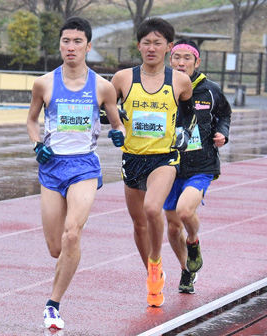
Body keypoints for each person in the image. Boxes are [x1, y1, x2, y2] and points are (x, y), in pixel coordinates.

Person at [26, 16, 126, 330]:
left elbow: (116, 121)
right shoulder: (44, 83)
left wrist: (118, 133)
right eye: (66, 41)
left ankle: (52, 305)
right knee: (55, 247)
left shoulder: (102, 86)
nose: (71, 47)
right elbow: (31, 121)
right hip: (52, 167)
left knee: (72, 235)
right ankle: (64, 265)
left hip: (84, 166)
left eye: (77, 41)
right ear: (60, 44)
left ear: (88, 46)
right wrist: (36, 143)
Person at [110, 18, 197, 307]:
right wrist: (118, 130)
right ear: (138, 46)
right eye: (146, 42)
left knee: (152, 209)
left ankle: (157, 260)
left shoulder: (180, 81)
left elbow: (187, 114)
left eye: (158, 42)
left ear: (168, 47)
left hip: (164, 158)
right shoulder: (122, 78)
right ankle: (152, 274)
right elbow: (110, 112)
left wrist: (184, 133)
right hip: (132, 158)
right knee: (139, 224)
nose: (151, 48)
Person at [163, 38, 232, 294]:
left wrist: (222, 133)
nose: (181, 63)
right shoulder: (160, 87)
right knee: (171, 228)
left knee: (184, 212)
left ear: (197, 62)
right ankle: (186, 271)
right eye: (177, 58)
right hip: (168, 165)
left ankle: (193, 240)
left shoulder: (210, 90)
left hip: (201, 164)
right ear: (170, 61)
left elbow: (224, 113)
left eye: (187, 58)